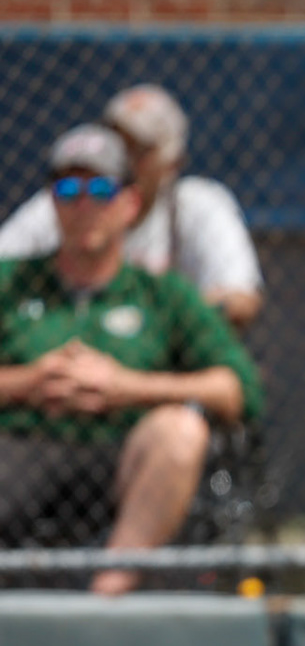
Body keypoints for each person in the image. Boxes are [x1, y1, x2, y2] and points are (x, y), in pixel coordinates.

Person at [0, 125, 264, 595]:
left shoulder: (163, 293)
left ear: (130, 204)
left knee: (179, 431)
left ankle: (104, 601)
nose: (84, 206)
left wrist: (126, 388)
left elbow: (235, 388)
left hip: (121, 458)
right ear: (51, 203)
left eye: (101, 189)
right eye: (68, 189)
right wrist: (28, 381)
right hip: (17, 451)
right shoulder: (10, 283)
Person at [0, 85, 263, 330]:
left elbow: (240, 298)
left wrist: (151, 324)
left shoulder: (198, 205)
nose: (124, 157)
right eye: (116, 141)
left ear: (172, 163)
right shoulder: (67, 199)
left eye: (139, 150)